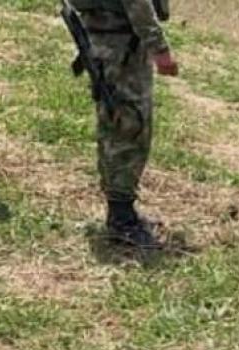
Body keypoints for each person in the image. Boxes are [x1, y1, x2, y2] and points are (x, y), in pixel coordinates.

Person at [67, 0, 178, 248]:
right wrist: (160, 49)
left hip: (110, 43)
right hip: (122, 48)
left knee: (116, 124)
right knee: (129, 127)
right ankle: (121, 217)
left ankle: (121, 209)